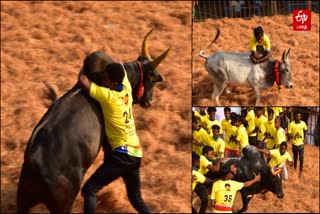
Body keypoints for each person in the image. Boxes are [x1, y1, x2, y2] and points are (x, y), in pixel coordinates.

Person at [78, 62, 151, 213]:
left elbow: (83, 81)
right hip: (136, 154)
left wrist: (86, 64)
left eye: (105, 79)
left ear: (114, 83)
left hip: (122, 156)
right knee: (136, 199)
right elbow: (118, 62)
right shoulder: (127, 88)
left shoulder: (108, 97)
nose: (103, 81)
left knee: (89, 189)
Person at [288, 111, 308, 177]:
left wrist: (305, 139)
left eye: (299, 116)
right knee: (295, 157)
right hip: (294, 144)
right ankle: (295, 168)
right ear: (294, 117)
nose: (298, 117)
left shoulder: (303, 123)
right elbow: (289, 133)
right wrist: (291, 136)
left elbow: (306, 130)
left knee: (301, 158)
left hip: (301, 144)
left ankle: (301, 171)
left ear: (301, 117)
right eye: (296, 116)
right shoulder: (291, 124)